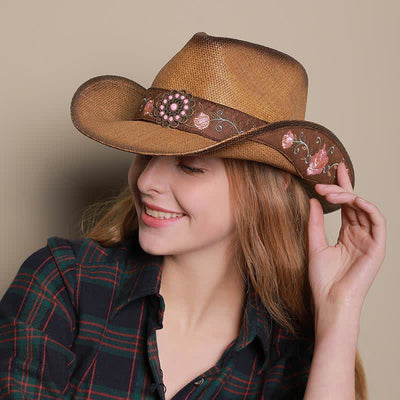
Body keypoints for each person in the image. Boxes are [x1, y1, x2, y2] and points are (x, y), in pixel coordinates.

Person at [0, 32, 386, 400]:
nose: (148, 180)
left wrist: (339, 311)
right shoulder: (65, 283)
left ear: (271, 188)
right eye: (146, 155)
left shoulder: (291, 356)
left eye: (190, 167)